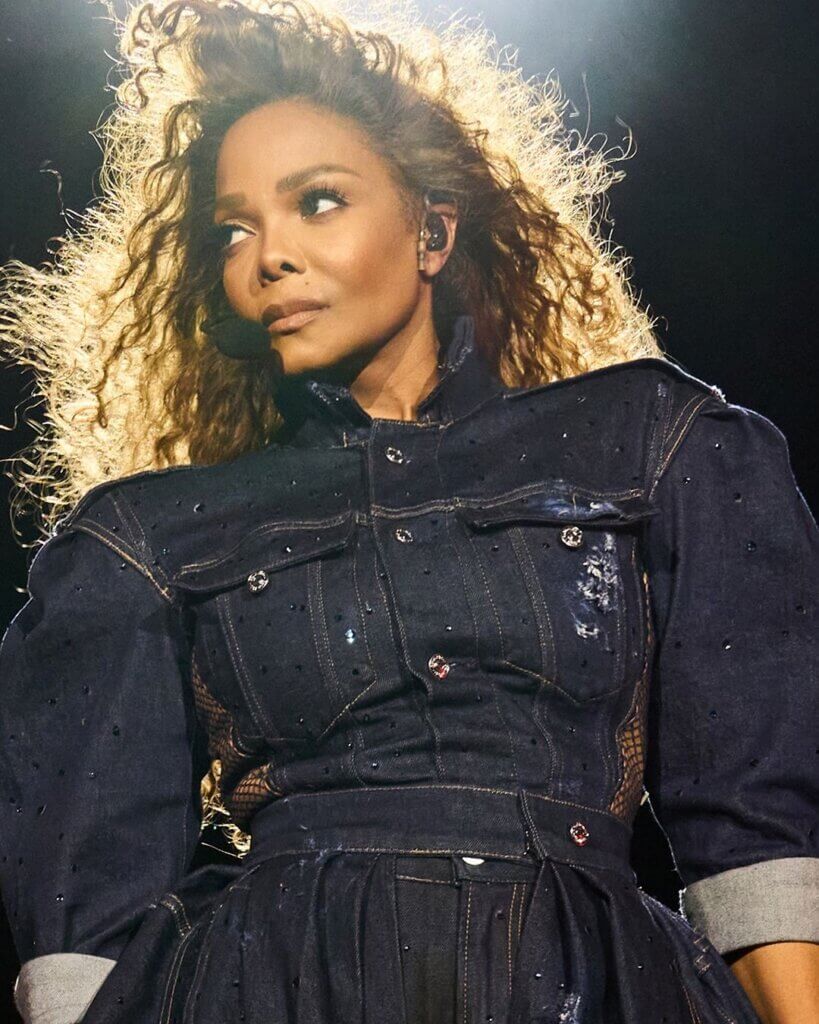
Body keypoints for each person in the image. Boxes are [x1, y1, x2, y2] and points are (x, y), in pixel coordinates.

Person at [0, 1, 816, 1022]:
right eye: (234, 229)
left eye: (319, 201)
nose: (269, 256)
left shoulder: (649, 443)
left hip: (592, 980)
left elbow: (752, 818)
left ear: (432, 230)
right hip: (276, 990)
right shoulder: (145, 539)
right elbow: (85, 923)